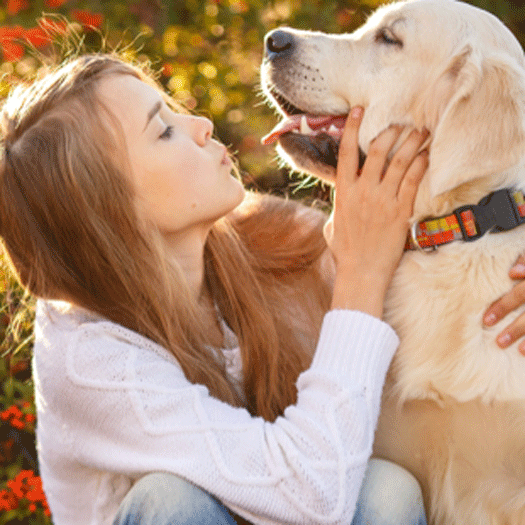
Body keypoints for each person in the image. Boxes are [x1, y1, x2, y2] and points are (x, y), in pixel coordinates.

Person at [1, 53, 525, 525]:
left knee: (386, 491)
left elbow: (416, 276)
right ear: (111, 215)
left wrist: (510, 267)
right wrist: (360, 276)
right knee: (173, 501)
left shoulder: (258, 239)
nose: (201, 124)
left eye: (172, 108)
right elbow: (313, 494)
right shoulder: (90, 360)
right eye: (163, 131)